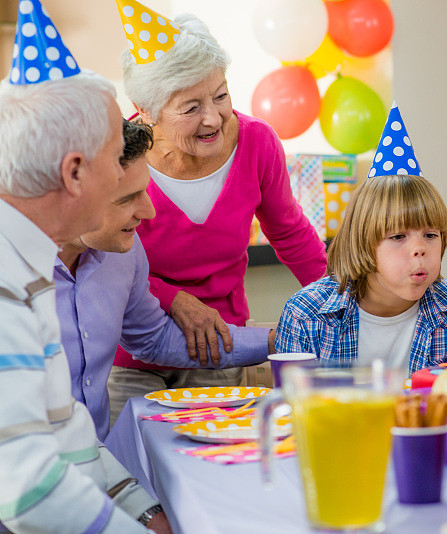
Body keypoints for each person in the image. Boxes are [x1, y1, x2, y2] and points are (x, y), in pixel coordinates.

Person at [108, 4, 327, 416]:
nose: (213, 118)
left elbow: (291, 234)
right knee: (128, 450)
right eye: (191, 108)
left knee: (216, 448)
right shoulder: (119, 154)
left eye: (221, 95)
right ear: (146, 109)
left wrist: (340, 299)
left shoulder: (257, 143)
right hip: (130, 347)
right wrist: (173, 298)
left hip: (219, 344)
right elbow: (101, 257)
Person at [0, 2, 169, 530]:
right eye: (115, 158)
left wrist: (143, 511)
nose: (145, 206)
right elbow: (29, 494)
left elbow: (67, 431)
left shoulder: (28, 263)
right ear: (74, 172)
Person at [56, 120, 274, 440]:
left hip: (94, 456)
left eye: (145, 191)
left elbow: (155, 339)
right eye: (127, 198)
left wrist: (275, 341)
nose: (149, 211)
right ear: (72, 192)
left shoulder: (124, 254)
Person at [276, 105, 447, 375]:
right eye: (398, 236)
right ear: (362, 243)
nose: (419, 249)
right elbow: (293, 401)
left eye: (430, 235)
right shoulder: (306, 314)